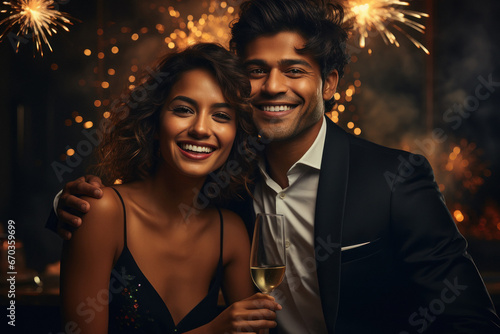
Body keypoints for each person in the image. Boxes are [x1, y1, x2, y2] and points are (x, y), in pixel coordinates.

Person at [51, 0, 500, 333]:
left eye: (293, 70)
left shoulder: (394, 180)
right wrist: (66, 204)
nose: (272, 87)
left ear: (329, 83)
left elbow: (469, 319)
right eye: (256, 70)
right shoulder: (225, 176)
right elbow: (156, 200)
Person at [59, 43, 281, 334]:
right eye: (184, 110)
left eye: (221, 116)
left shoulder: (231, 233)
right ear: (154, 121)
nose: (201, 129)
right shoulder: (103, 212)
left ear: (237, 135)